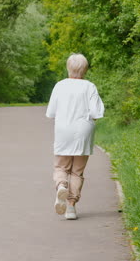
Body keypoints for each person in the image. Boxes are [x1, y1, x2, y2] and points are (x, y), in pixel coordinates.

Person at [46, 53, 104, 220]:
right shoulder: (90, 86)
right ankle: (71, 207)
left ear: (68, 68)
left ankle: (61, 185)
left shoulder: (60, 86)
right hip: (83, 130)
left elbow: (51, 112)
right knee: (77, 171)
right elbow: (96, 112)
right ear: (85, 70)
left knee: (61, 167)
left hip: (64, 129)